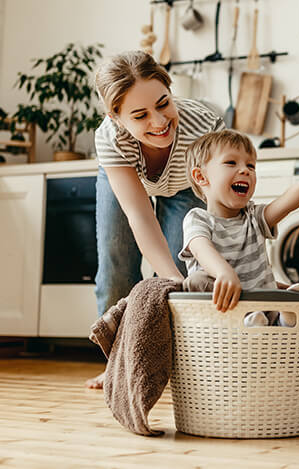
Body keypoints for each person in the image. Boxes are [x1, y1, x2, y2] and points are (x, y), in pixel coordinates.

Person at [86, 51, 224, 389]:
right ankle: (119, 364)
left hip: (186, 185)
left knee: (184, 269)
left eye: (163, 103)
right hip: (129, 177)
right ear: (116, 118)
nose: (159, 122)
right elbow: (139, 215)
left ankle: (177, 368)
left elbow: (220, 202)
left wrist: (183, 280)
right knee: (117, 262)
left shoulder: (205, 126)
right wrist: (171, 280)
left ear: (170, 90)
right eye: (140, 115)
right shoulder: (110, 138)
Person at [178, 130, 299, 326]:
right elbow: (201, 249)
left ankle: (285, 319)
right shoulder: (197, 218)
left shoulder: (253, 217)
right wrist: (224, 273)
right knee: (195, 283)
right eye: (231, 163)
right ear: (201, 176)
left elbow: (284, 204)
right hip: (227, 310)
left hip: (266, 302)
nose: (245, 170)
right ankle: (254, 320)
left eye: (250, 165)